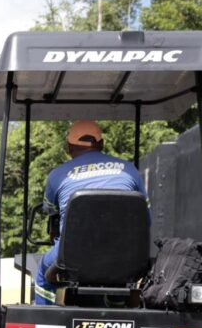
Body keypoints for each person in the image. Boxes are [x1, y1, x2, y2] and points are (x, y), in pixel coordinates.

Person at [34, 120, 146, 304]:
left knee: (42, 273)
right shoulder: (130, 170)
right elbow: (144, 219)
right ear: (101, 144)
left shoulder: (57, 175)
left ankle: (43, 319)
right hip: (123, 256)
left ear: (69, 147)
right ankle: (117, 304)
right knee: (122, 274)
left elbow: (50, 210)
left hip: (71, 256)